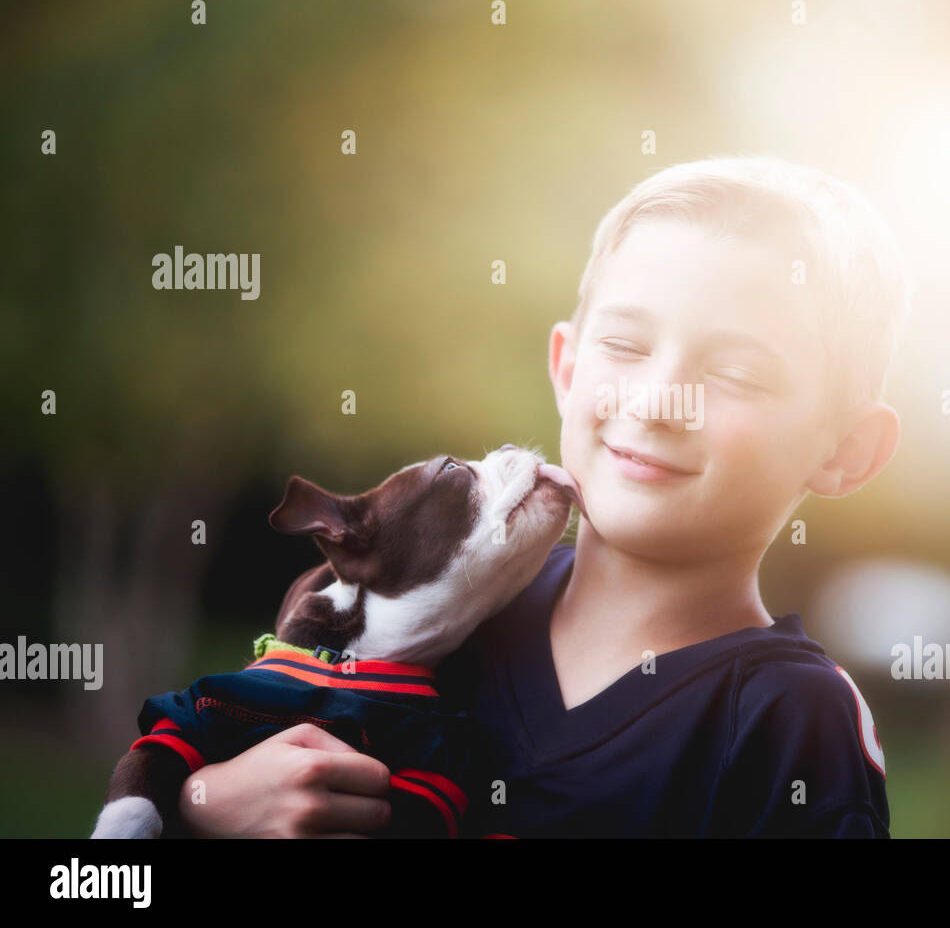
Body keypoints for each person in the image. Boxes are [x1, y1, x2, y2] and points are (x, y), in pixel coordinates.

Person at [175, 154, 909, 837]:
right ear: (566, 368)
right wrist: (201, 808)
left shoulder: (790, 723)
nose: (657, 403)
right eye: (625, 346)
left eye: (738, 374)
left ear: (847, 449)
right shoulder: (433, 613)